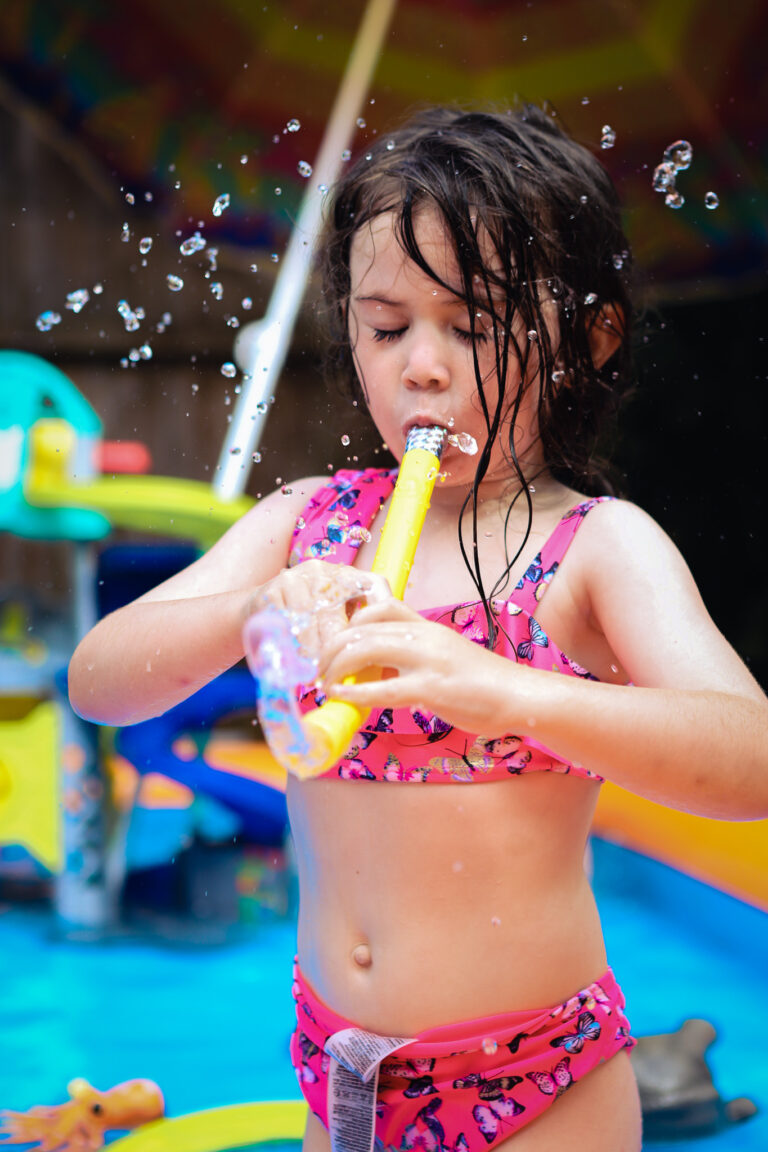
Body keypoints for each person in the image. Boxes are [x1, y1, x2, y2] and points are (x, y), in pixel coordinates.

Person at [69, 105, 768, 1152]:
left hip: (539, 1085)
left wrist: (500, 690)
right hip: (342, 1074)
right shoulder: (304, 528)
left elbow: (749, 760)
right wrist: (252, 611)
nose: (423, 368)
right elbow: (98, 681)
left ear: (589, 334)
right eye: (387, 327)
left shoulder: (592, 549)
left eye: (473, 329)